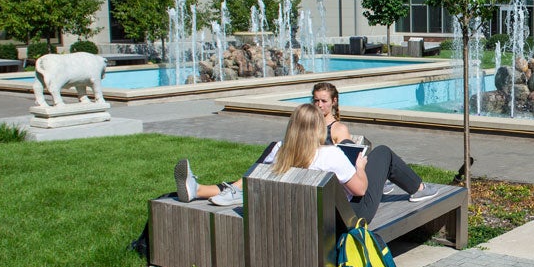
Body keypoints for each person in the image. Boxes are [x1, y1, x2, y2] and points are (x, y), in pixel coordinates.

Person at [174, 104, 441, 218]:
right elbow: (359, 191)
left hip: (292, 214)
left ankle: (218, 191)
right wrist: (360, 168)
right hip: (343, 218)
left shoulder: (278, 151)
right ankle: (418, 189)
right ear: (317, 128)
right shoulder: (329, 155)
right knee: (382, 153)